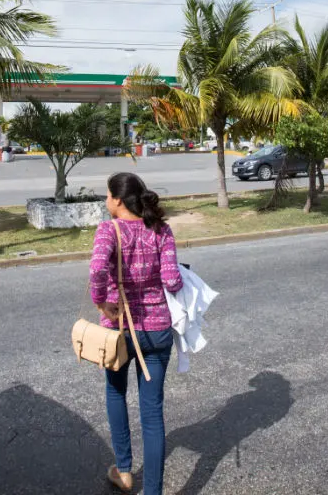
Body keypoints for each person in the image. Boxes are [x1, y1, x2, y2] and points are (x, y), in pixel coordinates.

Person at [89, 172, 183, 495]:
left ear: (117, 200)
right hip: (157, 332)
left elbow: (97, 268)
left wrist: (101, 302)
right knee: (153, 413)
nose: (106, 201)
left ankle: (125, 472)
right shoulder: (161, 230)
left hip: (120, 332)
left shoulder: (108, 230)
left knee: (116, 393)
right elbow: (172, 281)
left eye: (106, 196)